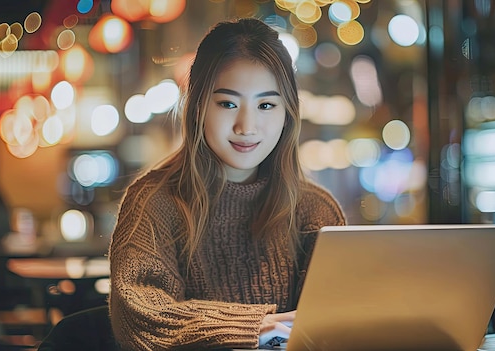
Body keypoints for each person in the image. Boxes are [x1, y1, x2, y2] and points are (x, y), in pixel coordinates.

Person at [108, 17, 346, 350]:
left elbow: (339, 322)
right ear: (198, 106)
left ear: (288, 113)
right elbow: (140, 317)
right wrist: (253, 327)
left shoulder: (314, 210)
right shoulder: (154, 201)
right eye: (228, 103)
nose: (247, 126)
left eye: (266, 105)